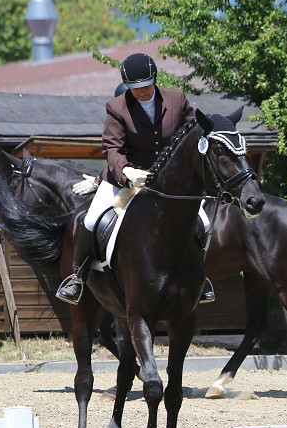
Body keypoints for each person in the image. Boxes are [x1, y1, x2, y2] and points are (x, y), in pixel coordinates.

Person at [55, 53, 215, 305]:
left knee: (203, 223)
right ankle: (78, 277)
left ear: (155, 79)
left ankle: (199, 277)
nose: (141, 92)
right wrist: (127, 171)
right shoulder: (117, 107)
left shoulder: (176, 100)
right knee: (91, 219)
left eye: (146, 86)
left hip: (167, 183)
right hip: (125, 179)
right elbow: (112, 149)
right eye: (135, 88)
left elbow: (192, 134)